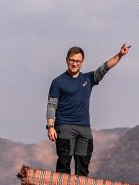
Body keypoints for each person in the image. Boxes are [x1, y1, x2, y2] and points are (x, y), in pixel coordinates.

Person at [47, 43, 131, 176]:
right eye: (72, 60)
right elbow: (51, 105)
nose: (75, 64)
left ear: (82, 62)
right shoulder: (58, 82)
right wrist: (50, 126)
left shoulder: (88, 79)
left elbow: (105, 67)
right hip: (64, 127)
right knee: (64, 165)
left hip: (84, 129)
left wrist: (120, 54)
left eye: (78, 61)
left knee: (83, 167)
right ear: (67, 60)